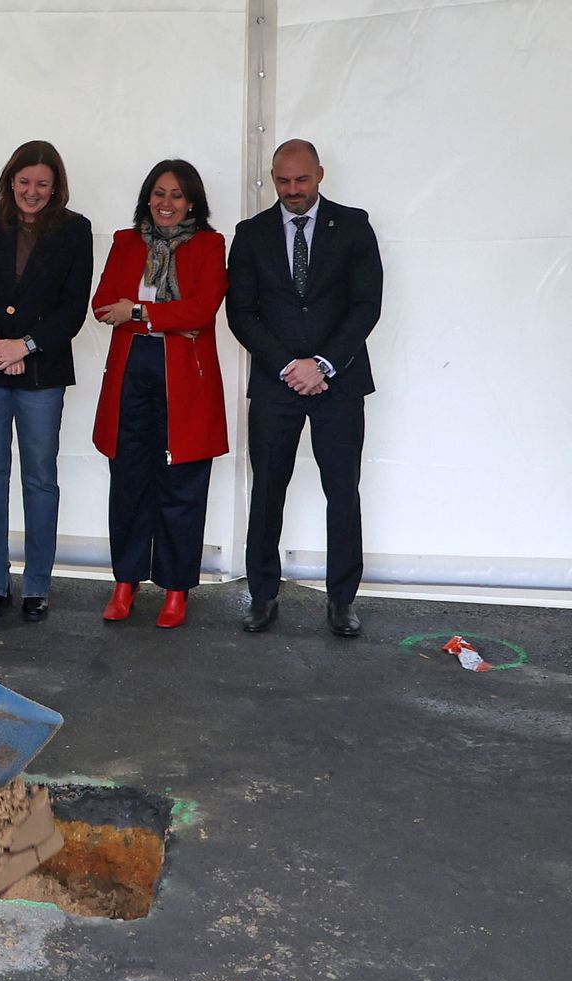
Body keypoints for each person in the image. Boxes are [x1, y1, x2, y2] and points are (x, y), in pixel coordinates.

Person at [227, 139, 383, 636]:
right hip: (277, 385)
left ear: (319, 174)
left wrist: (324, 363)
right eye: (282, 181)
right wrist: (288, 366)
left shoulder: (354, 225)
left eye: (301, 180)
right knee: (268, 491)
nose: (292, 191)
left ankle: (342, 601)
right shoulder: (250, 234)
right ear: (272, 178)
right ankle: (262, 595)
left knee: (342, 491)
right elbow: (240, 313)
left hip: (338, 383)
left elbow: (366, 306)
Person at [0, 140, 93, 623]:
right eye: (25, 181)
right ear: (11, 180)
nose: (32, 192)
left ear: (57, 188)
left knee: (40, 478)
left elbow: (72, 309)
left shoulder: (76, 230)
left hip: (41, 370)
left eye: (43, 184)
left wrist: (24, 346)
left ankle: (36, 585)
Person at [90, 159, 230, 630]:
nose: (166, 203)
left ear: (192, 202)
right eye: (158, 193)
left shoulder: (211, 244)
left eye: (176, 195)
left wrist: (138, 312)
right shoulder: (126, 242)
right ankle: (125, 583)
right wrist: (160, 316)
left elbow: (202, 310)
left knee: (182, 485)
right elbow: (102, 305)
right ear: (147, 197)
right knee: (128, 479)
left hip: (185, 379)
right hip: (131, 371)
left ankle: (175, 589)